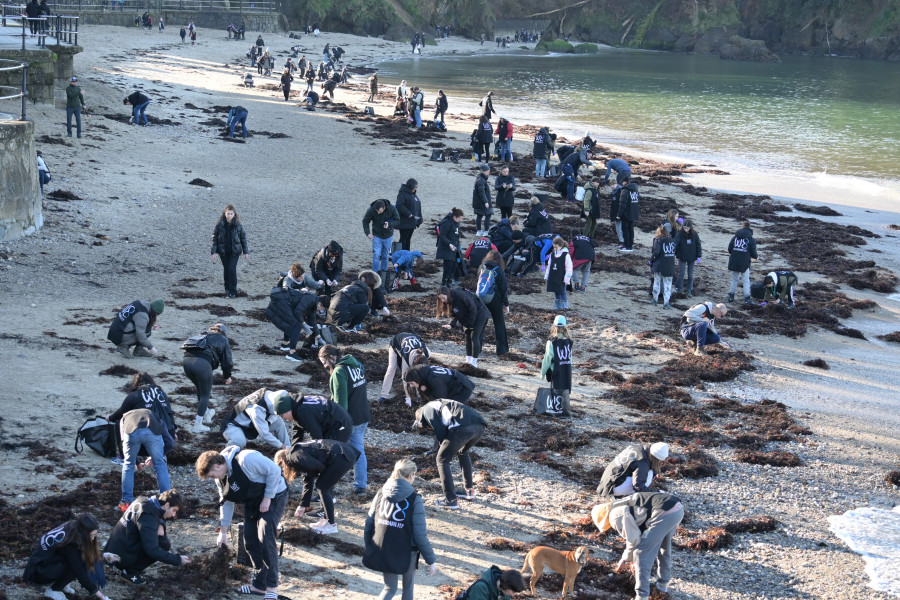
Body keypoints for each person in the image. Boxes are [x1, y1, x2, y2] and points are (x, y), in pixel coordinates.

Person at [195, 446, 289, 598]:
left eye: (212, 476)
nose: (213, 479)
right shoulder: (221, 478)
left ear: (217, 466)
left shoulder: (247, 458)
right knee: (250, 541)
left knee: (265, 538)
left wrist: (268, 497)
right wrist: (223, 533)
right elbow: (226, 502)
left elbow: (275, 471)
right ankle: (259, 585)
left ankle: (272, 588)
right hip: (253, 501)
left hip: (275, 496)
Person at [363, 459, 438, 600]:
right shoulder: (415, 499)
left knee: (389, 587)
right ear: (411, 475)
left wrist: (369, 545)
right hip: (407, 552)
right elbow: (420, 535)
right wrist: (431, 560)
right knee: (407, 589)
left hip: (384, 548)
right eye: (414, 475)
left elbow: (369, 523)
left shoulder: (380, 493)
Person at [592, 492, 684, 600]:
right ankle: (662, 587)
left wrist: (626, 558)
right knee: (664, 547)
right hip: (676, 508)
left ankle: (642, 595)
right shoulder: (620, 502)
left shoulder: (615, 515)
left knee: (641, 553)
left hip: (663, 513)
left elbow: (634, 540)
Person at [104, 490, 189, 585]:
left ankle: (131, 566)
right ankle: (130, 572)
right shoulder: (148, 516)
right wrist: (178, 560)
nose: (173, 515)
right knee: (163, 544)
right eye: (174, 510)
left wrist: (161, 524)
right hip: (118, 557)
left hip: (115, 547)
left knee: (162, 541)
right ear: (167, 505)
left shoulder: (144, 501)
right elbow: (152, 550)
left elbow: (152, 518)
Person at [275, 440, 358, 534]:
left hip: (341, 455)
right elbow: (308, 479)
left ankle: (331, 524)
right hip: (345, 452)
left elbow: (316, 466)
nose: (283, 469)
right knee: (323, 486)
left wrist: (324, 476)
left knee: (322, 487)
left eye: (280, 466)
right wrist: (303, 505)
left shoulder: (294, 456)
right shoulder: (296, 453)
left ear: (282, 460)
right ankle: (325, 519)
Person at [414, 399, 486, 509]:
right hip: (479, 425)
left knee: (442, 459)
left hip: (463, 427)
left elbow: (440, 431)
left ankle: (451, 499)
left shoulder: (427, 409)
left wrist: (440, 449)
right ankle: (468, 491)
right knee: (462, 452)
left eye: (426, 426)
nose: (428, 428)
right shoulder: (440, 404)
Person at [23, 514, 113, 600]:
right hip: (36, 573)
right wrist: (101, 596)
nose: (93, 539)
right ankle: (54, 590)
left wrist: (102, 555)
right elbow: (79, 572)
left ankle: (62, 584)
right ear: (84, 533)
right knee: (77, 564)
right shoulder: (69, 544)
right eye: (91, 536)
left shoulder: (72, 526)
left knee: (76, 559)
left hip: (44, 563)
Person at [319, 345, 369, 495]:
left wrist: (336, 424)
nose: (325, 366)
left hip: (350, 419)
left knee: (335, 450)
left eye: (324, 362)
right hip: (363, 415)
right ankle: (360, 485)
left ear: (332, 357)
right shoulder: (356, 364)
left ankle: (328, 486)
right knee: (358, 450)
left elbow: (340, 404)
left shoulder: (339, 372)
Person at [114, 408, 172, 512]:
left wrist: (136, 463)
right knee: (160, 465)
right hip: (152, 431)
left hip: (130, 430)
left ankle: (126, 502)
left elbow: (121, 444)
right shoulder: (154, 416)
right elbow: (170, 442)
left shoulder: (124, 418)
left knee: (128, 465)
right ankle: (166, 501)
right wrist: (158, 456)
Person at [109, 372, 176, 460]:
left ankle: (123, 456)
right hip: (166, 439)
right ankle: (161, 454)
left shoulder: (134, 395)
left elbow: (119, 414)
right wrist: (174, 432)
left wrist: (109, 418)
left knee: (119, 423)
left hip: (145, 443)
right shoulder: (162, 394)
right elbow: (169, 414)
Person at [181, 323, 233, 433]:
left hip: (186, 363)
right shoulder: (222, 339)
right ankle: (198, 425)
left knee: (200, 389)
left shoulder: (202, 335)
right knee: (205, 394)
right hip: (202, 364)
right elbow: (227, 362)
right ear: (223, 332)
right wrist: (227, 376)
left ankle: (207, 413)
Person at [265, 274, 318, 359]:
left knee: (291, 322)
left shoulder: (313, 302)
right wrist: (304, 324)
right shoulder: (310, 299)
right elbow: (298, 312)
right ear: (320, 303)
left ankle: (285, 344)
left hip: (283, 304)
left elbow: (312, 321)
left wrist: (318, 336)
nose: (320, 310)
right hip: (280, 304)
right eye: (322, 308)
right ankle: (292, 353)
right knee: (296, 325)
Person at [222, 388, 291, 451]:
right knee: (239, 442)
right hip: (234, 425)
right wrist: (281, 446)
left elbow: (275, 415)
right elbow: (264, 434)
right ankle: (225, 455)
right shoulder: (257, 409)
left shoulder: (270, 396)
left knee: (278, 422)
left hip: (250, 423)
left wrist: (269, 422)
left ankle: (288, 449)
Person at [438, 285, 490, 367]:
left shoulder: (460, 294)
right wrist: (451, 324)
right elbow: (456, 314)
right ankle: (468, 360)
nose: (442, 300)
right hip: (469, 316)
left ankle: (474, 362)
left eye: (443, 298)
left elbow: (473, 309)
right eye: (440, 298)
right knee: (467, 337)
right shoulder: (451, 300)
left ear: (447, 294)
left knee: (474, 337)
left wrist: (471, 324)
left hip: (480, 314)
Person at [272, 392, 352, 444]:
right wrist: (293, 449)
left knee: (330, 453)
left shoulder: (304, 412)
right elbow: (297, 431)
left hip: (340, 425)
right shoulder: (295, 405)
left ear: (288, 411)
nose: (283, 419)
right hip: (332, 420)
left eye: (282, 415)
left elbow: (316, 437)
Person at [596, 442, 669, 498]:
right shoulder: (643, 462)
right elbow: (638, 487)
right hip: (610, 488)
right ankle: (630, 497)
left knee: (646, 473)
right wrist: (658, 492)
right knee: (649, 474)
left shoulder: (638, 447)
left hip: (606, 481)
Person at [378, 333, 430, 404]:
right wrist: (408, 398)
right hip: (396, 342)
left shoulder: (427, 353)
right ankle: (384, 395)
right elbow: (405, 378)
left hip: (413, 338)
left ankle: (418, 396)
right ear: (413, 365)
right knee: (392, 368)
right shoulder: (407, 358)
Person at [210, 204, 249, 297]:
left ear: (234, 214)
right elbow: (214, 238)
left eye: (231, 214)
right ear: (225, 214)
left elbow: (243, 238)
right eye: (228, 214)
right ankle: (227, 289)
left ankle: (233, 291)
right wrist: (214, 252)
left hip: (235, 252)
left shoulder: (238, 226)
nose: (229, 215)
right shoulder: (220, 225)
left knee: (232, 269)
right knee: (226, 270)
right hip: (223, 251)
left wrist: (245, 252)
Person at [540, 315, 573, 416]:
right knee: (565, 389)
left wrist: (543, 372)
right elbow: (570, 357)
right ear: (565, 326)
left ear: (554, 326)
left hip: (556, 368)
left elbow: (547, 358)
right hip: (566, 368)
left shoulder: (552, 342)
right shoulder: (569, 340)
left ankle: (556, 409)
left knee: (556, 388)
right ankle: (566, 411)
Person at [478, 250, 509, 355]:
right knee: (499, 323)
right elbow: (504, 288)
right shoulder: (499, 270)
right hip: (495, 298)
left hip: (481, 297)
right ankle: (502, 350)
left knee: (481, 323)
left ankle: (477, 348)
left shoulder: (482, 267)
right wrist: (506, 304)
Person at [363, 199, 400, 280]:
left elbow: (397, 220)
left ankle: (383, 272)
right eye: (377, 211)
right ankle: (374, 274)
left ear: (384, 207)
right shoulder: (371, 210)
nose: (378, 213)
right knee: (376, 255)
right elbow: (365, 221)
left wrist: (389, 224)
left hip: (388, 236)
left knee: (385, 256)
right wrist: (368, 233)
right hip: (377, 235)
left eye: (379, 211)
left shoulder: (392, 209)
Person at [404, 364, 475, 405]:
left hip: (462, 388)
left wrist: (427, 391)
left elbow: (440, 400)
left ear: (416, 379)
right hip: (455, 382)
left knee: (449, 408)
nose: (411, 386)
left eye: (411, 383)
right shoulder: (424, 372)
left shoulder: (434, 379)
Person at [727, 220, 758, 304]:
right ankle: (747, 298)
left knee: (734, 279)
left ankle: (731, 296)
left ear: (742, 226)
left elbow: (729, 249)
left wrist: (735, 254)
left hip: (734, 260)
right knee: (746, 280)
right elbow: (753, 252)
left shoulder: (735, 237)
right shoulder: (751, 239)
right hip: (745, 262)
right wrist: (755, 257)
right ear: (749, 227)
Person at [435, 208, 463, 288]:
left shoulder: (456, 223)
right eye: (460, 219)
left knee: (454, 265)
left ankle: (450, 281)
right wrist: (449, 244)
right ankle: (444, 282)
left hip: (455, 247)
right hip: (446, 247)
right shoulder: (446, 223)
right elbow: (442, 236)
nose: (460, 220)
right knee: (448, 266)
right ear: (455, 217)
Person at [650, 225, 676, 309]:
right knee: (668, 284)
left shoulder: (658, 240)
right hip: (669, 265)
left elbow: (656, 252)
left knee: (657, 282)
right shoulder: (672, 241)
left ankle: (655, 299)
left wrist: (651, 260)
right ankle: (666, 303)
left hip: (659, 265)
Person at [673, 219, 702, 297]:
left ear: (690, 228)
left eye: (687, 228)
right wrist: (673, 252)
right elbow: (675, 243)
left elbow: (698, 245)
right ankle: (680, 288)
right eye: (684, 228)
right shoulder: (679, 234)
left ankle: (689, 290)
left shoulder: (694, 234)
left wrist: (699, 255)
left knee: (690, 274)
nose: (686, 229)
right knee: (681, 273)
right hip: (682, 256)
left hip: (692, 257)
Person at [461, 567, 526, 600]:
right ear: (507, 586)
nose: (513, 595)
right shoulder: (481, 588)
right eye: (514, 592)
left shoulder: (504, 590)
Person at [545, 236, 573, 310]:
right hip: (554, 276)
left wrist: (567, 278)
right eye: (554, 247)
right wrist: (546, 276)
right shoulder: (552, 255)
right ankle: (558, 306)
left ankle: (565, 307)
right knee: (556, 291)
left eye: (556, 247)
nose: (554, 249)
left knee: (562, 292)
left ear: (561, 246)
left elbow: (569, 268)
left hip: (562, 277)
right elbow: (549, 266)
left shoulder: (566, 255)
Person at [396, 178, 423, 251]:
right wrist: (409, 214)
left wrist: (419, 220)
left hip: (412, 221)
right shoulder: (403, 194)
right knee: (403, 239)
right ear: (411, 186)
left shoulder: (414, 195)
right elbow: (399, 205)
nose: (415, 188)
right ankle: (398, 254)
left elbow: (418, 207)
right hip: (404, 221)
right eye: (415, 187)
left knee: (408, 239)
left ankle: (407, 254)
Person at [616, 177, 640, 252]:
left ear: (625, 182)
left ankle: (627, 246)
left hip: (626, 214)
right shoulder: (636, 190)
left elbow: (622, 204)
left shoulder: (625, 190)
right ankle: (630, 245)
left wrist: (619, 215)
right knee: (631, 230)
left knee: (625, 230)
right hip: (633, 213)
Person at [472, 163, 493, 235]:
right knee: (488, 214)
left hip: (477, 202)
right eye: (488, 171)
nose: (488, 173)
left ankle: (479, 231)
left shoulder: (479, 178)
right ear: (484, 171)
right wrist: (486, 201)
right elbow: (482, 192)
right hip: (482, 202)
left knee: (479, 215)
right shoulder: (481, 180)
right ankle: (486, 231)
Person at [609, 181, 625, 247]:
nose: (612, 186)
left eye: (613, 184)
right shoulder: (613, 192)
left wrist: (620, 213)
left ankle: (623, 241)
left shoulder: (620, 191)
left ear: (617, 184)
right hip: (616, 212)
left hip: (620, 213)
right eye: (611, 185)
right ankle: (621, 241)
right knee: (618, 228)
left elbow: (622, 203)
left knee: (620, 228)